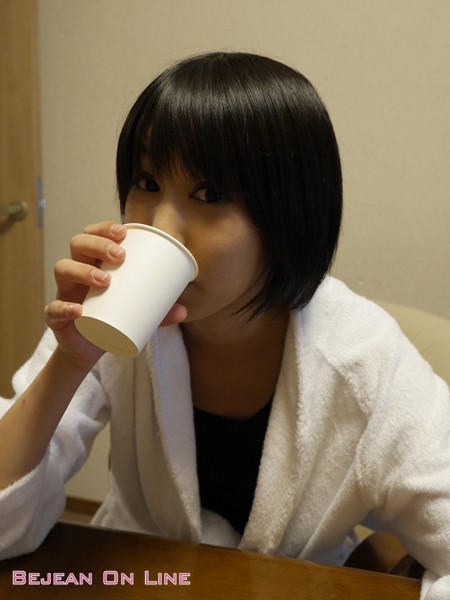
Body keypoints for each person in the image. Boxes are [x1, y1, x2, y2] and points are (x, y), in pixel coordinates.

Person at [0, 52, 449, 598]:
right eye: (146, 181)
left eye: (210, 194)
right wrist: (69, 360)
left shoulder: (364, 360)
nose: (161, 225)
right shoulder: (110, 314)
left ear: (288, 217)